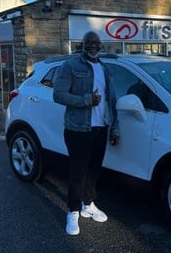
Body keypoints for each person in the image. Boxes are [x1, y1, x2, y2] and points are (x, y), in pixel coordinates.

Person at [53, 31, 120, 236]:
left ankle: (88, 204)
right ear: (83, 44)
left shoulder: (105, 69)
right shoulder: (71, 66)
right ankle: (73, 211)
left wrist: (114, 127)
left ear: (101, 45)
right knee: (78, 172)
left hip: (101, 127)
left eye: (96, 43)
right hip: (77, 129)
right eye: (88, 42)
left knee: (93, 171)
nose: (92, 46)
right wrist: (86, 100)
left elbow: (112, 101)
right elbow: (58, 94)